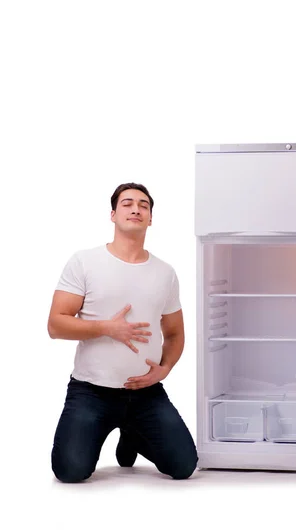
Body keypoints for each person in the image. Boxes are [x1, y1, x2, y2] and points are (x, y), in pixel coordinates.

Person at [48, 182, 198, 482]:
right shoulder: (85, 261)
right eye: (128, 203)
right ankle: (119, 430)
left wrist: (165, 369)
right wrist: (107, 327)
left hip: (146, 393)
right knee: (70, 471)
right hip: (91, 392)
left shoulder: (164, 272)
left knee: (184, 467)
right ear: (113, 214)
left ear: (151, 219)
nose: (136, 209)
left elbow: (175, 334)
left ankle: (133, 434)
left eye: (144, 205)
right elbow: (56, 324)